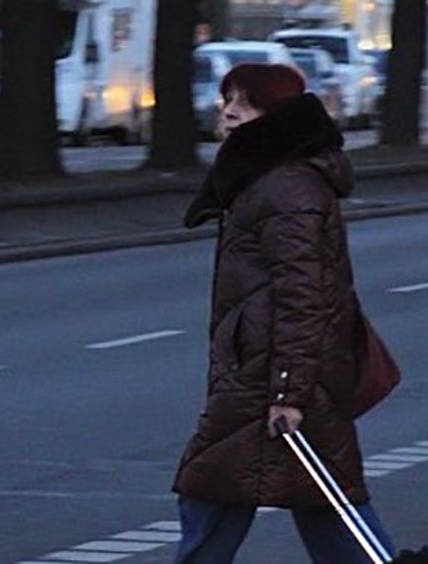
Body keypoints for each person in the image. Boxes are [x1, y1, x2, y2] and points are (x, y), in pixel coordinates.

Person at [172, 63, 395, 563]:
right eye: (226, 98)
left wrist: (287, 391)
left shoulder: (284, 187)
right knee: (320, 505)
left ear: (276, 116)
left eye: (245, 103)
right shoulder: (267, 177)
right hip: (268, 371)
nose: (228, 111)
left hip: (270, 376)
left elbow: (303, 294)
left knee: (213, 491)